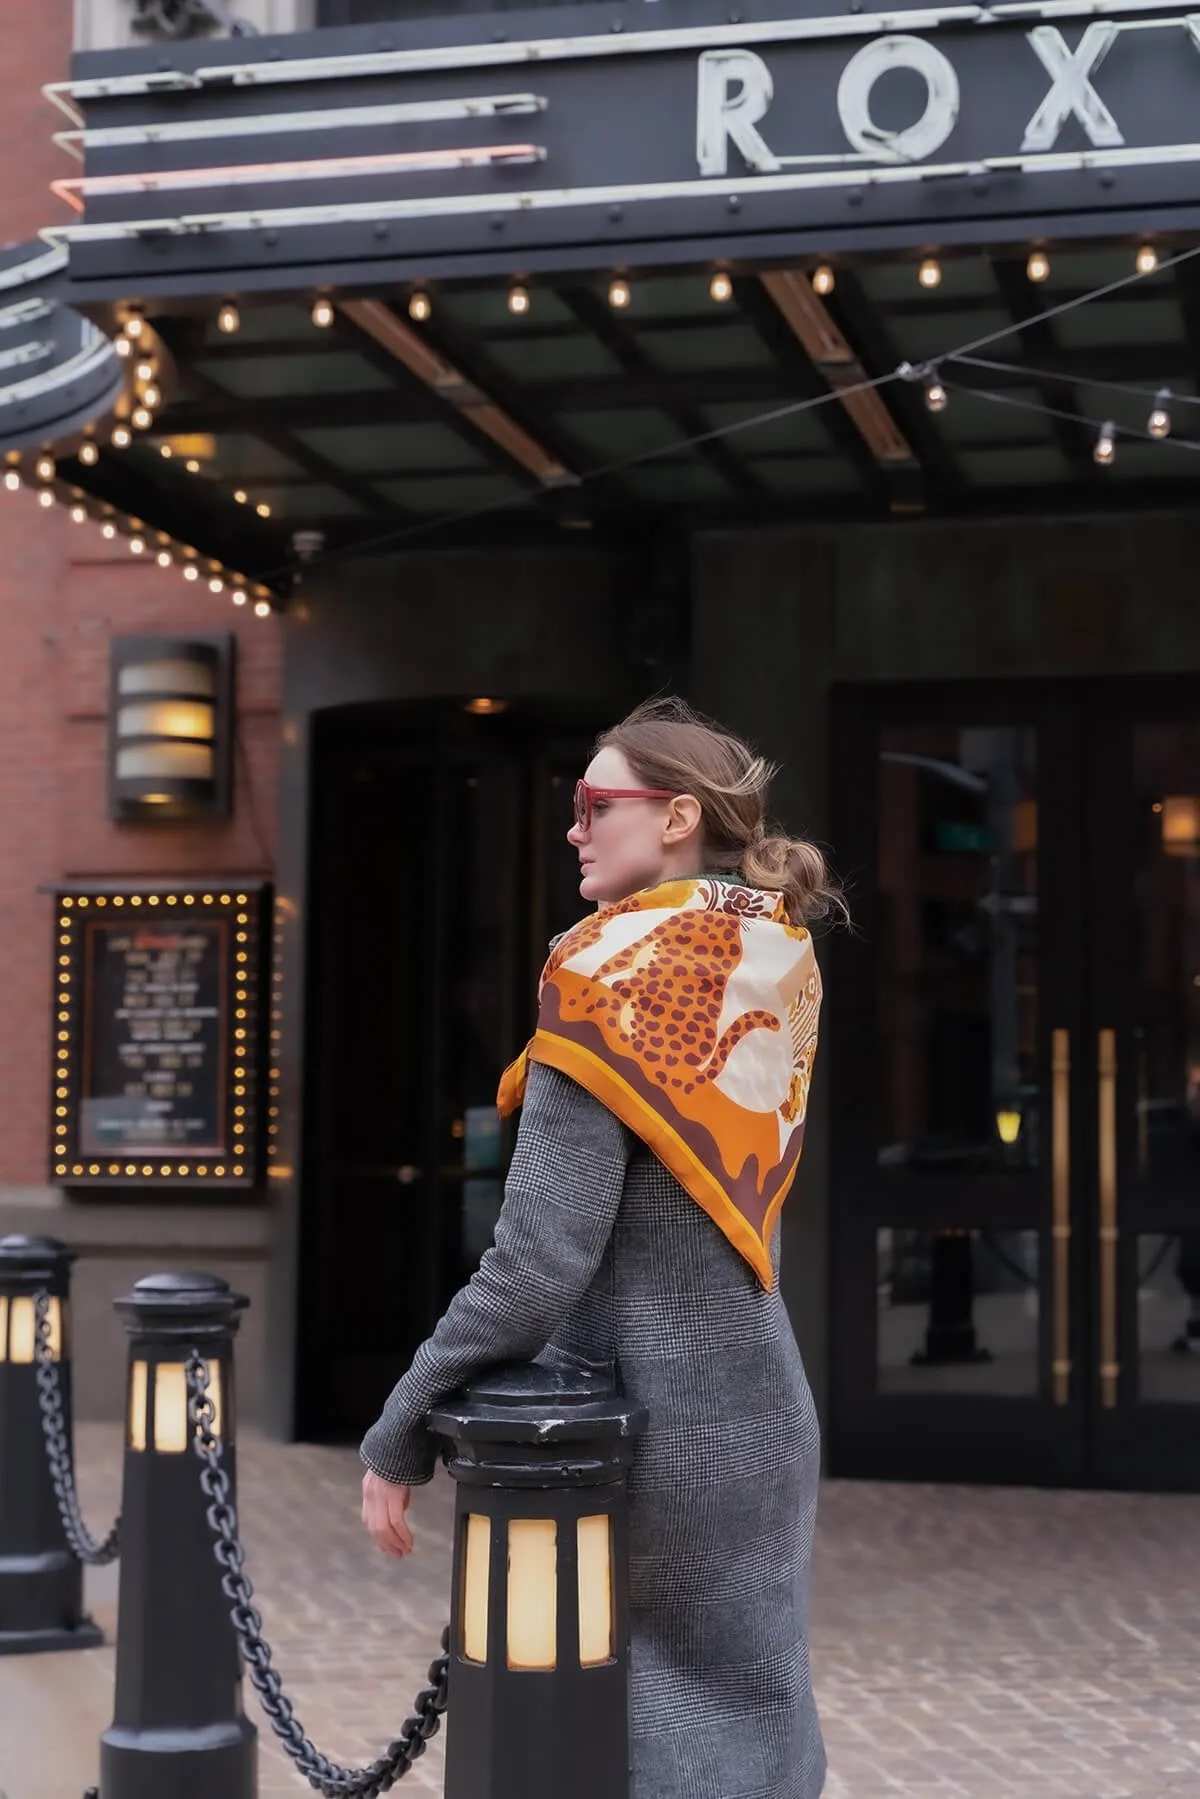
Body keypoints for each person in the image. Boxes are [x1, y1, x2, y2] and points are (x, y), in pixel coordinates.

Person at [361, 696, 839, 1799]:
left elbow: (536, 1259)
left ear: (677, 817)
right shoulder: (771, 953)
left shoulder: (604, 976)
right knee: (759, 1722)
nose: (573, 827)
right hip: (762, 1413)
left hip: (652, 1428)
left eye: (593, 804)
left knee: (655, 1731)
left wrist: (400, 1427)